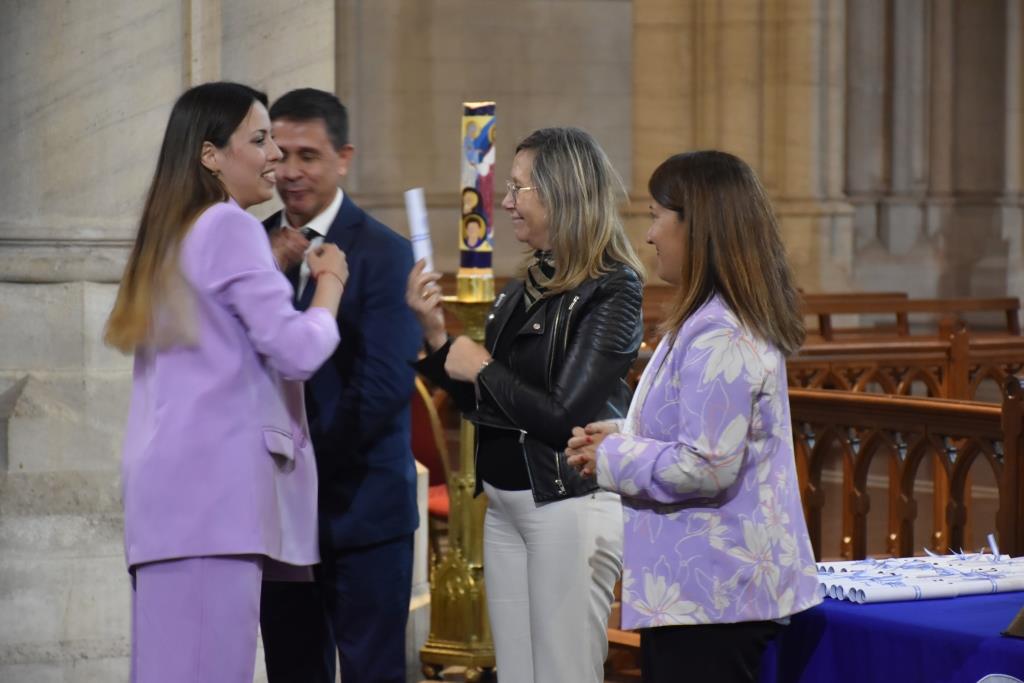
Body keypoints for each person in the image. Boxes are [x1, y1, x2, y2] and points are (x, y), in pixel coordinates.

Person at [104, 81, 347, 683]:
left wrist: (272, 265)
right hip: (214, 503)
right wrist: (329, 286)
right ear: (211, 154)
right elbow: (295, 350)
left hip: (168, 503)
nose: (275, 157)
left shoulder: (172, 229)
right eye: (260, 140)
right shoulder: (229, 225)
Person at [565, 150, 822, 683]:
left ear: (697, 226)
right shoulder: (708, 317)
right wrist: (618, 433)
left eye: (658, 215)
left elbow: (708, 464)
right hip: (704, 592)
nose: (650, 234)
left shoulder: (721, 333)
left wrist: (611, 455)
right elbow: (693, 432)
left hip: (716, 597)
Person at [407, 127, 645, 683]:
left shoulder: (613, 289)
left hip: (567, 501)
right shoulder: (525, 287)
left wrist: (482, 365)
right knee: (516, 673)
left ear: (562, 194)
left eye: (519, 189)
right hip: (508, 503)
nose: (506, 203)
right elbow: (487, 405)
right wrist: (436, 337)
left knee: (563, 671)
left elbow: (564, 415)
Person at [259, 88, 421, 683]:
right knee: (291, 670)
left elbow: (381, 388)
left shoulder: (385, 252)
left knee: (371, 672)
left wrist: (297, 463)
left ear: (343, 157)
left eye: (310, 155)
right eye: (281, 153)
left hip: (362, 509)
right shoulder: (250, 247)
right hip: (277, 518)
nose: (292, 171)